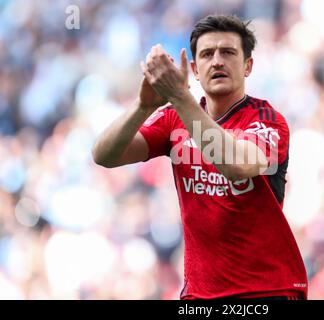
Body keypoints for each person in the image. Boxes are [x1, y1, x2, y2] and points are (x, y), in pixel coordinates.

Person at [92, 14, 308, 300]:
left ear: (248, 66)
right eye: (207, 54)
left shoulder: (267, 120)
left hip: (266, 291)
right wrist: (143, 106)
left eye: (228, 52)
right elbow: (105, 155)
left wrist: (181, 97)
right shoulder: (174, 118)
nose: (217, 61)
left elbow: (237, 166)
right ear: (194, 69)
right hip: (200, 295)